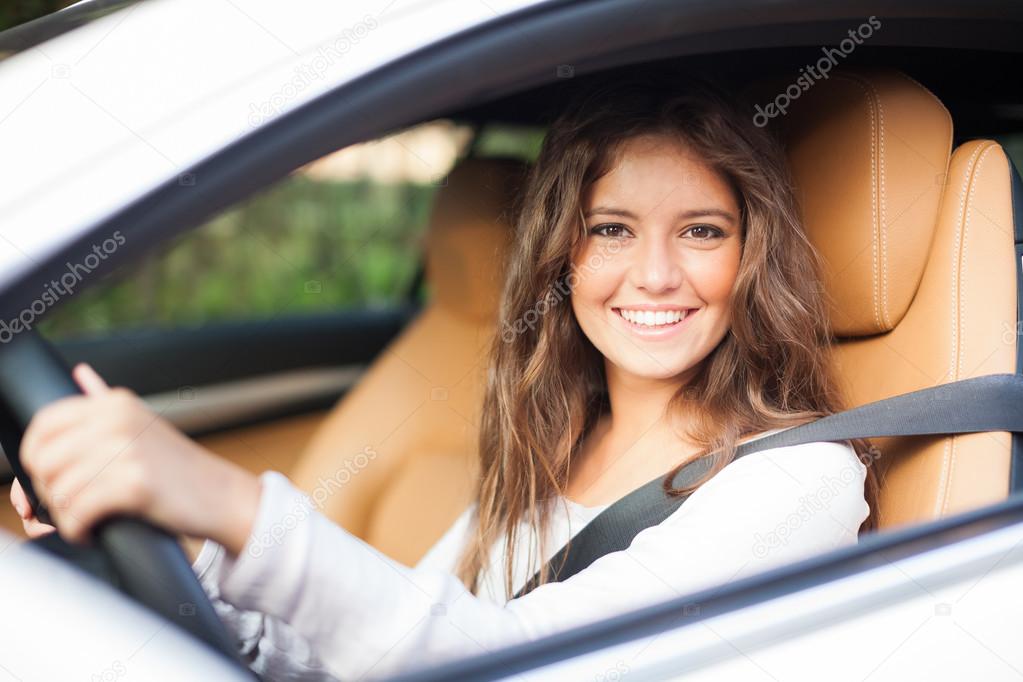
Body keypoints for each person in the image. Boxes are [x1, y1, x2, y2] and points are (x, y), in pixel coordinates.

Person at [9, 73, 878, 680]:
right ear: (560, 259)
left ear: (753, 258)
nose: (653, 275)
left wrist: (226, 501)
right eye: (610, 229)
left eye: (700, 231)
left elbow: (505, 661)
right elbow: (364, 650)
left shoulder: (799, 483)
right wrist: (182, 555)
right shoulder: (558, 439)